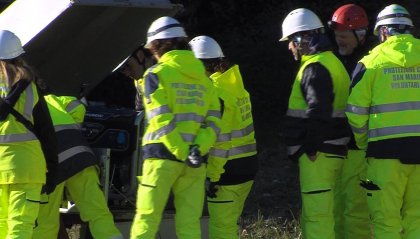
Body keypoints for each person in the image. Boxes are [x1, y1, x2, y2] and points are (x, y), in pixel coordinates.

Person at [130, 17, 221, 239]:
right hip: (195, 161)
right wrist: (195, 150)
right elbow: (214, 122)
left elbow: (160, 118)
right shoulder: (205, 80)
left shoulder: (155, 75)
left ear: (158, 46)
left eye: (152, 50)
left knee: (147, 220)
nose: (153, 55)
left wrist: (181, 151)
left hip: (161, 157)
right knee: (189, 224)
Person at [346, 4, 420, 239]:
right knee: (417, 218)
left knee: (385, 220)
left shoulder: (370, 63)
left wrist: (363, 142)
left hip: (384, 154)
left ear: (384, 32)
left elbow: (355, 111)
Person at [280, 8, 350, 239]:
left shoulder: (314, 67)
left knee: (317, 218)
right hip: (335, 152)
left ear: (301, 39)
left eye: (291, 41)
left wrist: (309, 146)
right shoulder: (333, 62)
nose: (289, 47)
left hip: (318, 155)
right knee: (331, 215)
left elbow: (318, 110)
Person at [189, 35, 258, 239]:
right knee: (229, 225)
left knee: (221, 230)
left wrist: (213, 177)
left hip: (227, 171)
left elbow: (221, 140)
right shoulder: (236, 87)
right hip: (248, 166)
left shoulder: (217, 93)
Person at [32, 94, 122, 239]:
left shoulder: (17, 105)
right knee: (97, 213)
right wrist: (73, 125)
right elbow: (78, 106)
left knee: (46, 221)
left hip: (52, 166)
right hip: (81, 157)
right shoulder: (52, 99)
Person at [0, 30, 58, 239]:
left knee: (1, 226)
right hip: (29, 169)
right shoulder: (32, 88)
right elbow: (46, 132)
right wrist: (53, 169)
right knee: (21, 227)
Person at [328, 4, 371, 239]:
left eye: (343, 36)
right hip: (336, 146)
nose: (339, 41)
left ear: (360, 34)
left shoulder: (371, 63)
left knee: (355, 209)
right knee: (333, 206)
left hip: (360, 148)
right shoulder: (335, 61)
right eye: (336, 36)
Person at [87, 44, 154, 109]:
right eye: (123, 70)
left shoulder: (160, 71)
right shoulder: (139, 81)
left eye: (128, 66)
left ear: (140, 55)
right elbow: (140, 111)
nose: (127, 74)